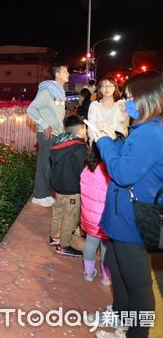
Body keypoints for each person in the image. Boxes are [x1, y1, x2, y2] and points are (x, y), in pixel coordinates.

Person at [91, 70, 163, 338]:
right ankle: (121, 316)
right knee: (114, 262)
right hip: (123, 212)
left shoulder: (151, 133)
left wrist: (104, 142)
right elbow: (129, 158)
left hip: (134, 216)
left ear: (149, 98)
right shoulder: (143, 128)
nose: (127, 103)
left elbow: (122, 173)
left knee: (138, 284)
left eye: (132, 98)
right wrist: (114, 138)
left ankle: (135, 333)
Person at [27, 64, 69, 207]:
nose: (68, 73)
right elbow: (31, 109)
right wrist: (44, 125)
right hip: (47, 134)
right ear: (57, 74)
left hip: (57, 134)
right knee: (44, 165)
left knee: (50, 165)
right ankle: (39, 195)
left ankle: (45, 193)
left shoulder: (58, 91)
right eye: (65, 71)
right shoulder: (47, 91)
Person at [49, 114, 88, 257]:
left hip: (58, 187)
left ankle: (54, 236)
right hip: (72, 189)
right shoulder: (80, 148)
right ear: (81, 131)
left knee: (58, 212)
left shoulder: (58, 143)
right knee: (70, 218)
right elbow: (82, 171)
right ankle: (64, 245)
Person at [80, 143, 111, 285]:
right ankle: (106, 277)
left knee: (90, 243)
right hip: (105, 216)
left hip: (89, 215)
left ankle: (88, 273)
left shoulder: (87, 168)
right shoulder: (110, 171)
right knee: (106, 246)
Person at [87, 77, 129, 142]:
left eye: (110, 85)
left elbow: (124, 126)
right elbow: (91, 128)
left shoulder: (122, 104)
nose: (107, 88)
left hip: (118, 142)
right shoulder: (94, 105)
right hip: (99, 142)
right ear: (100, 89)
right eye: (104, 86)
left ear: (115, 88)